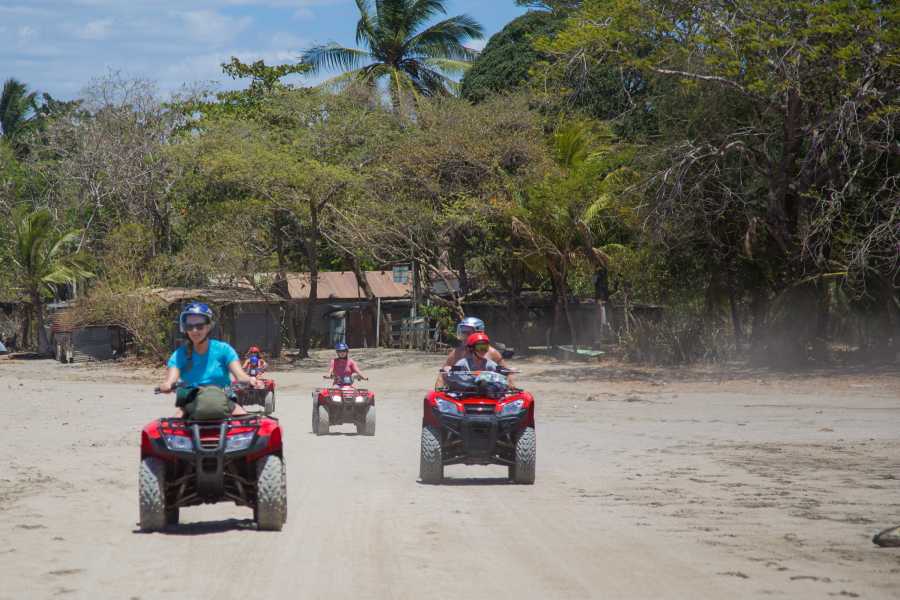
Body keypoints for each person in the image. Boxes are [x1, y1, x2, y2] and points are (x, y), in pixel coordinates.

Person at [158, 302, 258, 418]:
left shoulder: (224, 350)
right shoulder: (179, 354)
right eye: (189, 326)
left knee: (245, 425)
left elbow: (240, 376)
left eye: (199, 326)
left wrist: (251, 380)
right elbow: (171, 380)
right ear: (185, 329)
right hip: (191, 402)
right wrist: (167, 385)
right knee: (172, 429)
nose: (194, 330)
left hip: (224, 399)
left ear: (209, 326)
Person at [436, 317, 507, 388]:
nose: (464, 335)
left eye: (467, 332)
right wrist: (438, 389)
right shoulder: (457, 352)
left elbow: (506, 373)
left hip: (486, 392)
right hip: (462, 392)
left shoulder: (492, 352)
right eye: (463, 332)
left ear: (479, 332)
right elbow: (442, 375)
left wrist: (510, 385)